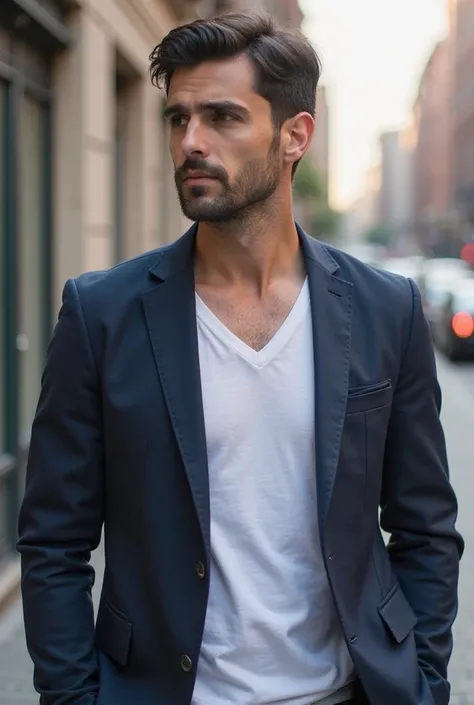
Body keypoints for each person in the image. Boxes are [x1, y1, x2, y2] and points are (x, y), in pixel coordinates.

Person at [18, 12, 463, 705]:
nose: (191, 141)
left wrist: (425, 681)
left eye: (222, 117)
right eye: (178, 118)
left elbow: (426, 528)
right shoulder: (101, 313)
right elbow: (53, 540)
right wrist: (74, 696)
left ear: (295, 135)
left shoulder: (387, 310)